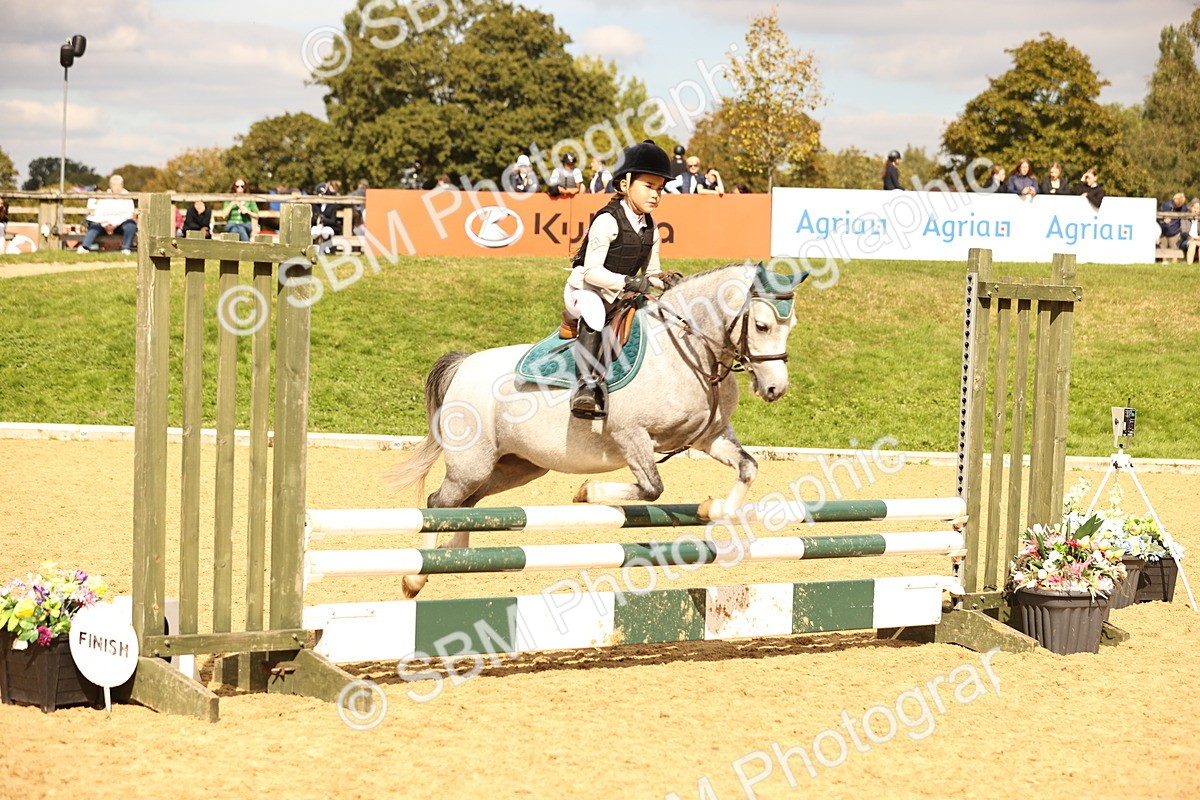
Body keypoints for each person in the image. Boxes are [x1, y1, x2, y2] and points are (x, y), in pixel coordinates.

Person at [562, 140, 672, 419]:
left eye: (660, 189)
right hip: (584, 290)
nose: (656, 195)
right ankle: (585, 388)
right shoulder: (607, 221)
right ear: (624, 185)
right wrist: (630, 283)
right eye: (648, 186)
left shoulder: (651, 227)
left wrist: (667, 282)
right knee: (595, 312)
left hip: (618, 294)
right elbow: (591, 272)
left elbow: (651, 274)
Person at [78, 174, 137, 254]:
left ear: (122, 185)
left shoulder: (128, 197)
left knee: (131, 225)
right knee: (94, 226)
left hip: (120, 226)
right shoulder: (104, 197)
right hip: (104, 225)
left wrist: (114, 225)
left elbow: (128, 215)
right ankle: (85, 247)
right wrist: (106, 225)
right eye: (114, 185)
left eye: (119, 185)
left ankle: (126, 248)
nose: (117, 187)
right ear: (110, 186)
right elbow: (99, 214)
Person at [1185, 199, 1200, 264]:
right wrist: (1191, 239)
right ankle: (1189, 265)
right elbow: (1184, 231)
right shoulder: (1185, 217)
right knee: (1193, 243)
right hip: (1186, 239)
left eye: (1197, 208)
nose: (1195, 210)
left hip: (1198, 239)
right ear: (1191, 208)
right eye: (1194, 208)